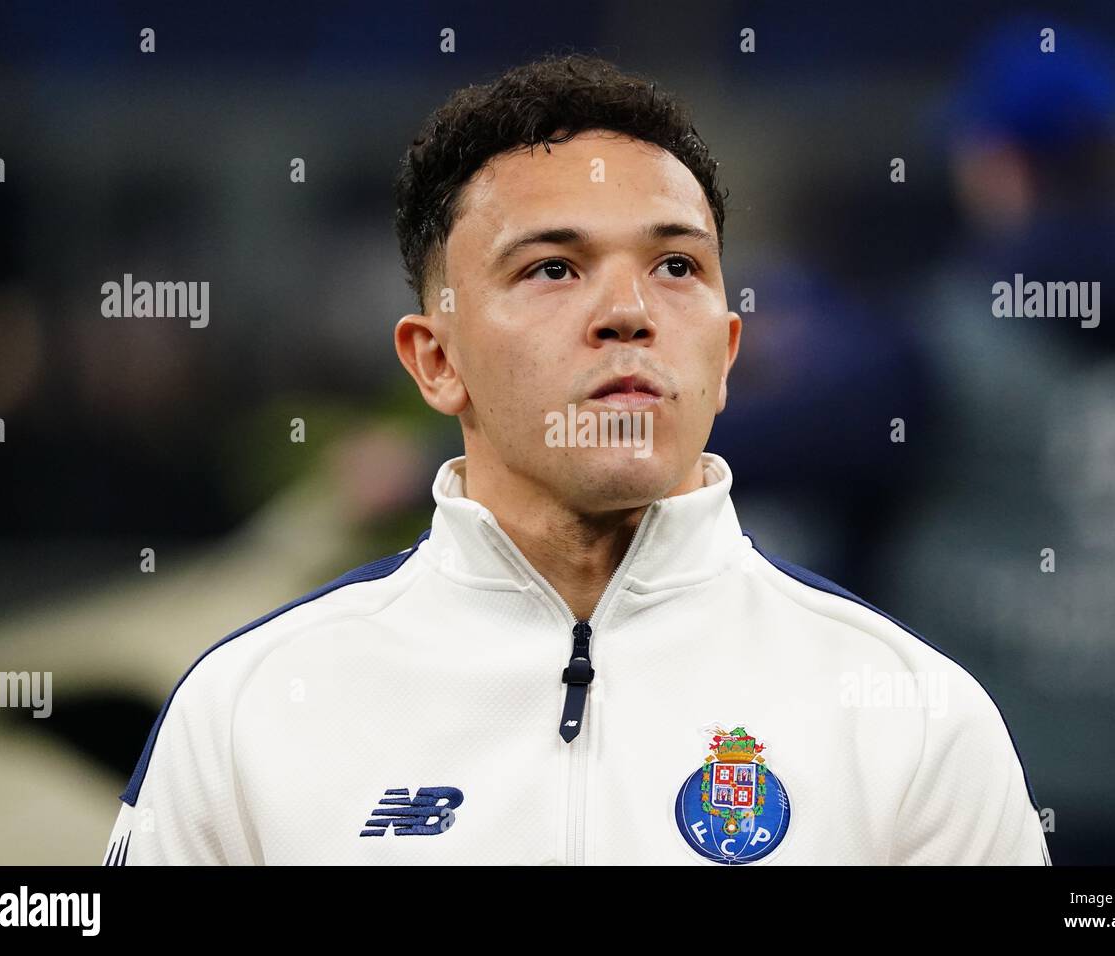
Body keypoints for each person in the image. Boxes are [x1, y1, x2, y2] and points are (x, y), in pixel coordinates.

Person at [104, 53, 1049, 865]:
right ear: (437, 361)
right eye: (553, 267)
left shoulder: (911, 717)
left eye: (676, 265)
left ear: (725, 358)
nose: (629, 312)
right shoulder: (251, 711)